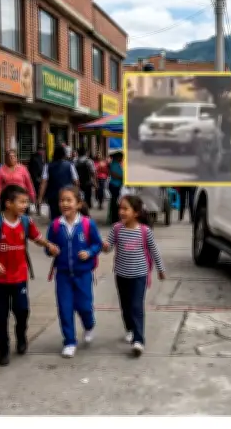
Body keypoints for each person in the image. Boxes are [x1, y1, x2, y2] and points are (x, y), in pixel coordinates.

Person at [0, 185, 58, 366]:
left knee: (22, 310)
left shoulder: (26, 222)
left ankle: (21, 335)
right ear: (8, 204)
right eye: (21, 202)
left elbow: (36, 238)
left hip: (19, 277)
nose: (25, 205)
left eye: (26, 202)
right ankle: (3, 350)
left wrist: (48, 245)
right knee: (0, 316)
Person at [103, 195, 166, 357]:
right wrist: (103, 246)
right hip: (121, 275)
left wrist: (160, 269)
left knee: (137, 306)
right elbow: (108, 247)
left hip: (139, 276)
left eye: (126, 209)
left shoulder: (145, 232)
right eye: (120, 208)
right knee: (125, 306)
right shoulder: (116, 229)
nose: (121, 212)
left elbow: (154, 252)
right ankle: (130, 328)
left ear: (136, 213)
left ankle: (138, 340)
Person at [45, 186, 103, 358]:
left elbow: (97, 244)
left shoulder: (87, 224)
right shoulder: (56, 225)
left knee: (85, 306)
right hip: (62, 275)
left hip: (83, 274)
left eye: (69, 200)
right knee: (65, 308)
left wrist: (90, 252)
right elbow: (48, 247)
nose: (64, 203)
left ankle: (89, 324)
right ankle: (69, 341)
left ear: (78, 204)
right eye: (62, 200)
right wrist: (51, 249)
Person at [38, 146, 80, 221]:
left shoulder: (47, 166)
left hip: (53, 196)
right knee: (67, 216)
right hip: (68, 195)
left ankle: (56, 230)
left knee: (55, 218)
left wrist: (40, 198)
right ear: (64, 154)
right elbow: (76, 181)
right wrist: (77, 194)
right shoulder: (70, 165)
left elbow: (43, 183)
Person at [107, 151, 124, 225]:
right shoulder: (114, 164)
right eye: (121, 157)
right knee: (115, 202)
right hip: (114, 185)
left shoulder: (117, 164)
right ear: (117, 157)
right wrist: (123, 178)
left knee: (116, 202)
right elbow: (114, 174)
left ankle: (115, 218)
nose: (122, 159)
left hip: (117, 185)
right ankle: (114, 219)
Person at [28, 145, 46, 214]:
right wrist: (37, 178)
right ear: (40, 151)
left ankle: (37, 208)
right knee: (37, 195)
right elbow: (35, 169)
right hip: (37, 179)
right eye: (43, 151)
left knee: (35, 195)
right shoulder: (37, 158)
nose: (44, 152)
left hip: (36, 179)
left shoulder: (37, 157)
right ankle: (37, 208)